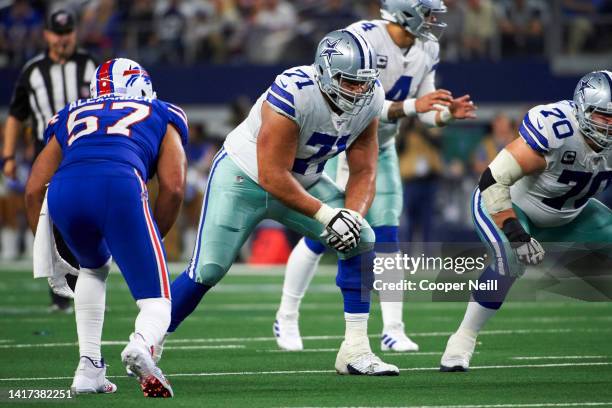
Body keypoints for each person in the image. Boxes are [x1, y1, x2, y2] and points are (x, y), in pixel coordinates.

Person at [166, 29, 399, 375]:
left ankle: (355, 349)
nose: (359, 90)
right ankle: (148, 340)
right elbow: (272, 175)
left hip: (303, 180)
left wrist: (350, 215)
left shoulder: (371, 98)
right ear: (324, 73)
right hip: (244, 177)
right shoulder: (294, 91)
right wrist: (325, 214)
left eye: (364, 82)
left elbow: (365, 168)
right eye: (350, 82)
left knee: (361, 236)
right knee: (208, 269)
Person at [274, 0, 477, 353]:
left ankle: (393, 328)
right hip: (343, 144)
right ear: (405, 11)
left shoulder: (428, 46)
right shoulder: (363, 40)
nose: (433, 20)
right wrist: (415, 107)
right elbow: (363, 103)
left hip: (381, 149)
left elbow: (426, 109)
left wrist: (445, 115)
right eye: (428, 12)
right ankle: (287, 315)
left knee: (387, 234)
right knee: (325, 234)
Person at [24, 58, 188, 397]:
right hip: (119, 183)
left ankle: (89, 369)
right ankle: (140, 346)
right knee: (157, 301)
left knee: (92, 268)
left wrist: (48, 243)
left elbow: (32, 188)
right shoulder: (161, 110)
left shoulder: (70, 112)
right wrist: (153, 238)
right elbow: (173, 187)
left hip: (65, 190)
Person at [440, 70, 612, 371]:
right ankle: (462, 339)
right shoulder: (557, 130)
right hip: (509, 206)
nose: (609, 126)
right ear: (583, 110)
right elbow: (493, 179)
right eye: (603, 116)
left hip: (571, 213)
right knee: (509, 259)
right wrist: (515, 232)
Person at [3, 8, 97, 312]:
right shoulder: (33, 71)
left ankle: (89, 287)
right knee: (52, 222)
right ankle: (61, 292)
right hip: (47, 152)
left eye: (67, 32)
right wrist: (8, 155)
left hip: (86, 151)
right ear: (46, 35)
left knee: (89, 217)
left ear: (74, 33)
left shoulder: (89, 66)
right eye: (57, 33)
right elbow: (16, 115)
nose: (62, 39)